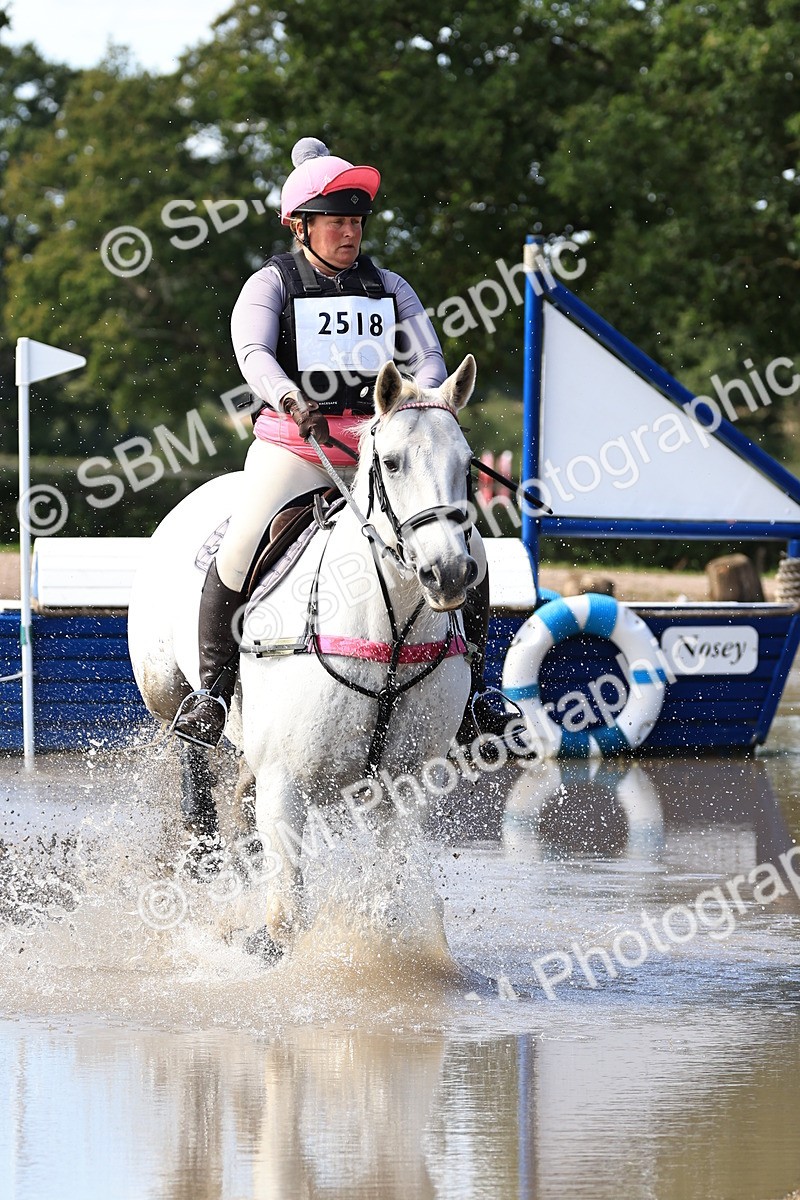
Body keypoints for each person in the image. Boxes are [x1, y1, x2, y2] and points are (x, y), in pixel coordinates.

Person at [173, 137, 507, 751]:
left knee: (467, 544)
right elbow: (252, 352)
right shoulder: (270, 283)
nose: (349, 233)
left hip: (380, 446)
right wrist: (290, 399)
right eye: (336, 222)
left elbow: (429, 355)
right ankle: (213, 695)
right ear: (301, 226)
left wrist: (425, 400)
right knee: (243, 543)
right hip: (298, 445)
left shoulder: (390, 286)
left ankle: (478, 694)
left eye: (355, 222)